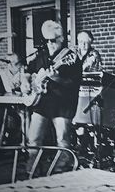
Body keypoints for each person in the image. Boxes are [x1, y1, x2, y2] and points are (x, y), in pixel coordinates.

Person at [25, 20, 82, 175]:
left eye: (53, 40)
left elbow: (74, 83)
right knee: (33, 139)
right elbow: (29, 71)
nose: (50, 43)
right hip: (42, 103)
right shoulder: (42, 56)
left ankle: (61, 173)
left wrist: (56, 78)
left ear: (62, 38)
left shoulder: (71, 58)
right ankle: (32, 173)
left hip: (63, 105)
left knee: (62, 141)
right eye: (47, 40)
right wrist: (27, 81)